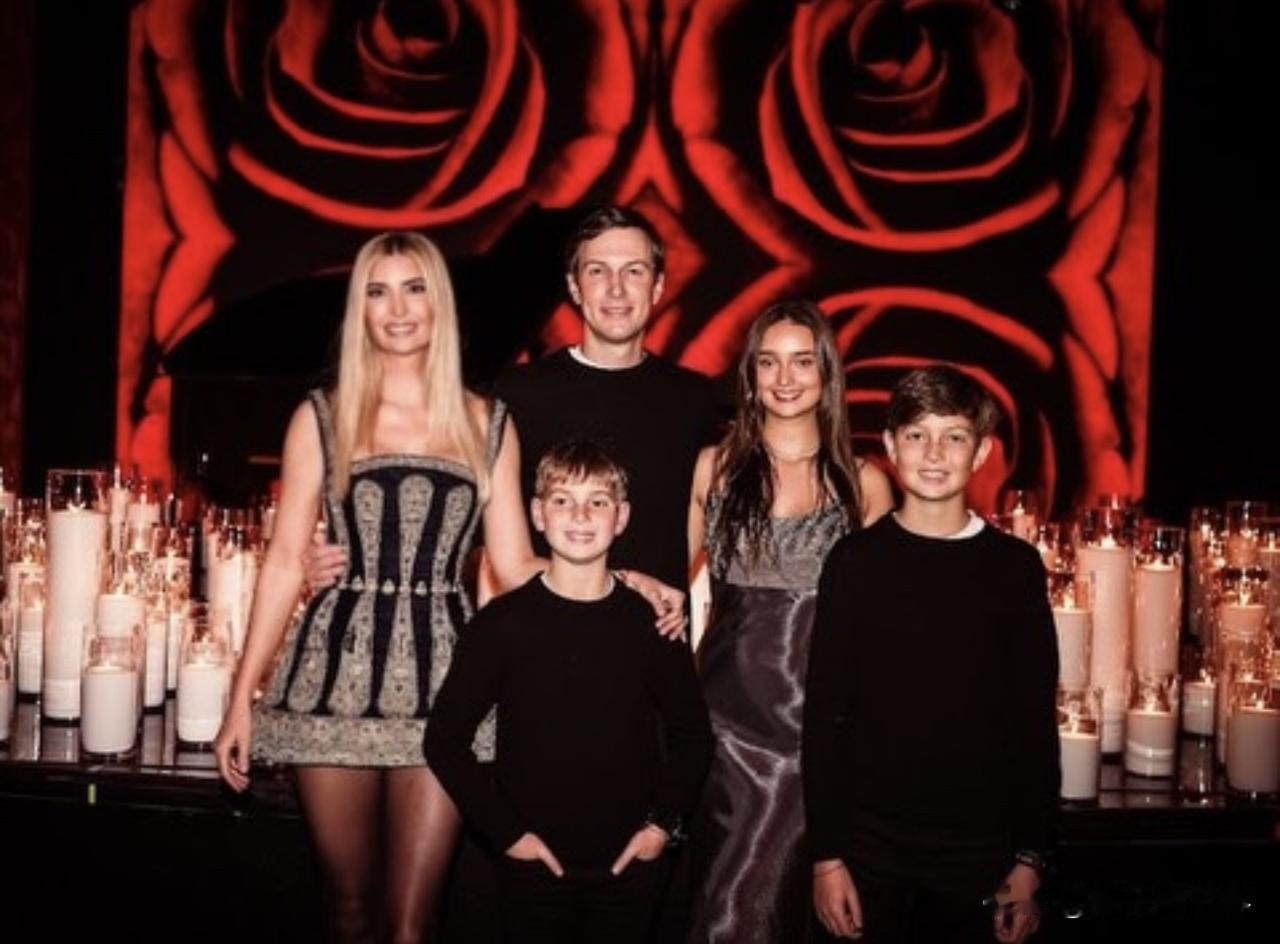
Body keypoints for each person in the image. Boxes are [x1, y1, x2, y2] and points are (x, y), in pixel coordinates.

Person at [213, 231, 545, 943]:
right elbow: (283, 561)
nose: (397, 309)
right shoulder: (321, 417)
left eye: (414, 288)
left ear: (439, 303)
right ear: (359, 309)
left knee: (412, 925)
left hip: (446, 689)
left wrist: (618, 581)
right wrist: (242, 698)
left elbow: (516, 564)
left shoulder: (487, 423)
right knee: (349, 913)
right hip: (331, 681)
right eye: (378, 291)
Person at [306, 205, 720, 609]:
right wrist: (339, 557)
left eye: (634, 271)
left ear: (658, 285)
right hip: (542, 639)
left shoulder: (695, 401)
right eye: (597, 271)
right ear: (574, 287)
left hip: (651, 643)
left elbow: (711, 525)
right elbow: (449, 521)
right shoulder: (516, 395)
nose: (616, 289)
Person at [803, 365, 1060, 944]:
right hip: (867, 850)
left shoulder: (1013, 569)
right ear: (891, 446)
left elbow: (1032, 722)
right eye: (918, 435)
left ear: (982, 451)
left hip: (979, 852)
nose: (935, 453)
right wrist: (826, 857)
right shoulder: (855, 562)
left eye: (954, 436)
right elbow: (823, 716)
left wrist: (1031, 859)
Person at [424, 440, 713, 943]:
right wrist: (508, 836)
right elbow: (444, 740)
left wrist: (659, 829)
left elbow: (694, 735)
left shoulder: (651, 624)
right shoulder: (501, 625)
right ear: (538, 514)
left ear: (621, 517)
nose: (580, 515)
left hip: (630, 869)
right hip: (530, 869)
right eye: (562, 500)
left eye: (598, 501)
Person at [684, 300, 894, 943]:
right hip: (724, 734)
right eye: (768, 362)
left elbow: (883, 634)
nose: (784, 378)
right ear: (749, 376)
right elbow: (666, 587)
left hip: (818, 738)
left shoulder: (865, 484)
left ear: (827, 375)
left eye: (802, 362)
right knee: (723, 906)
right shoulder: (713, 467)